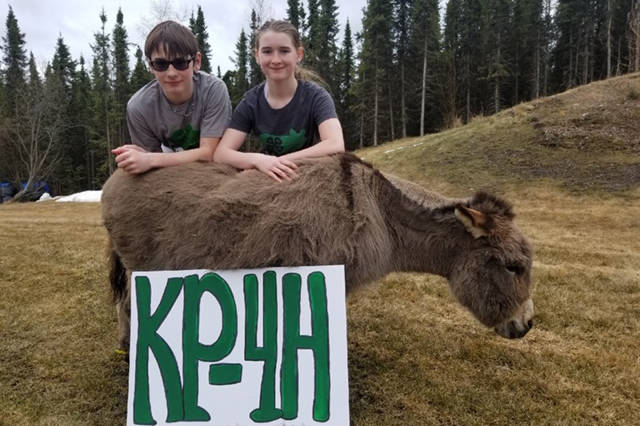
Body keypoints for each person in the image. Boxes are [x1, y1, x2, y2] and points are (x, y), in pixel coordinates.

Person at [213, 19, 345, 182]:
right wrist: (258, 160)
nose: (276, 60)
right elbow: (221, 154)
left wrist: (278, 162)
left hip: (311, 176)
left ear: (299, 54)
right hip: (267, 177)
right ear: (257, 55)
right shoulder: (251, 102)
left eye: (284, 51)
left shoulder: (316, 97)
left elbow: (335, 143)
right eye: (267, 51)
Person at [113, 20, 232, 174]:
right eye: (161, 64)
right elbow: (151, 170)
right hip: (170, 171)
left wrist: (149, 159)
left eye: (180, 62)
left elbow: (209, 153)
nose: (171, 73)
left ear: (196, 61)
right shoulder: (138, 107)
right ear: (150, 65)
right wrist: (138, 158)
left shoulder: (213, 90)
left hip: (213, 170)